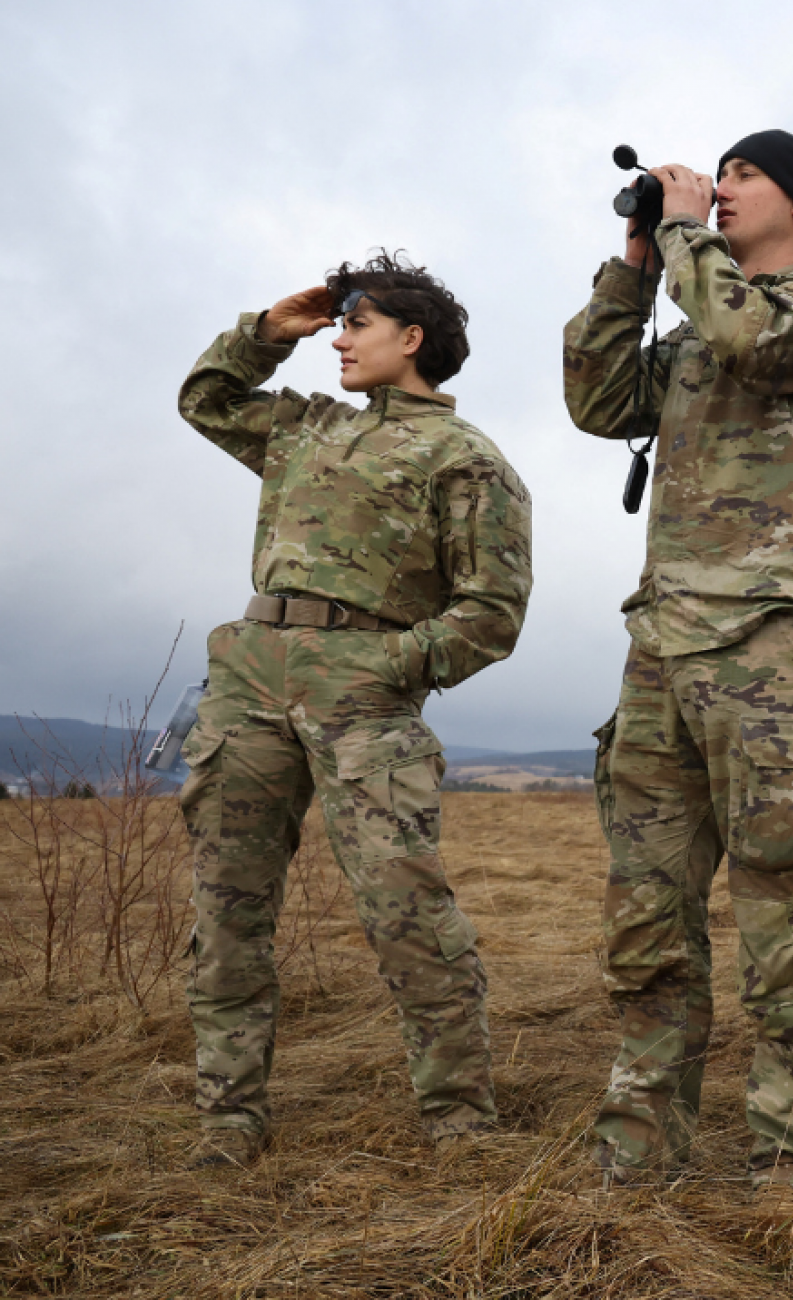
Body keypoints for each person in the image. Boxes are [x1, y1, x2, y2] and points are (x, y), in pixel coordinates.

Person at [563, 129, 793, 1210]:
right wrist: (633, 267)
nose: (721, 186)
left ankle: (791, 1169)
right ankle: (638, 1157)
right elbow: (599, 400)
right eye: (721, 175)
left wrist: (687, 228)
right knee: (646, 923)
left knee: (787, 929)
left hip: (774, 649)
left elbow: (752, 338)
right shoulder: (696, 318)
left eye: (741, 174)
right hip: (661, 649)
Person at [176, 251, 532, 1166]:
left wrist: (390, 667)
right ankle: (228, 1116)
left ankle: (458, 1117)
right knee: (229, 907)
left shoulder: (468, 458)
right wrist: (266, 332)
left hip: (363, 693)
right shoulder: (304, 428)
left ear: (411, 339)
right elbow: (205, 401)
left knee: (406, 908)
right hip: (250, 678)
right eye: (338, 324)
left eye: (357, 324)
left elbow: (491, 613)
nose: (338, 338)